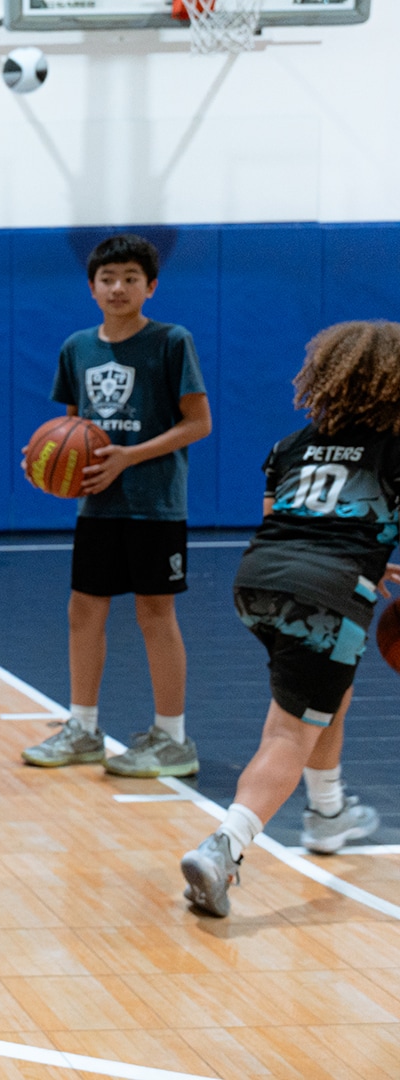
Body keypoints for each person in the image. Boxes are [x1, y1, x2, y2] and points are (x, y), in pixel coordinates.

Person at [180, 321, 398, 917]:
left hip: (258, 580)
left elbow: (282, 520)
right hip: (327, 593)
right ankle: (224, 848)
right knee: (288, 731)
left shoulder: (290, 445)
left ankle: (327, 813)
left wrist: (359, 561)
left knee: (324, 693)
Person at [21, 233, 212, 779]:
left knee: (155, 613)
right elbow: (71, 427)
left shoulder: (172, 341)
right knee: (83, 610)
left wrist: (129, 456)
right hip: (100, 506)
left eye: (131, 277)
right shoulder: (77, 347)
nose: (118, 286)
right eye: (108, 278)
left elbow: (198, 423)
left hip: (155, 503)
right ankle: (82, 729)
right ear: (91, 288)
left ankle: (173, 738)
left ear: (151, 286)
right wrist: (43, 459)